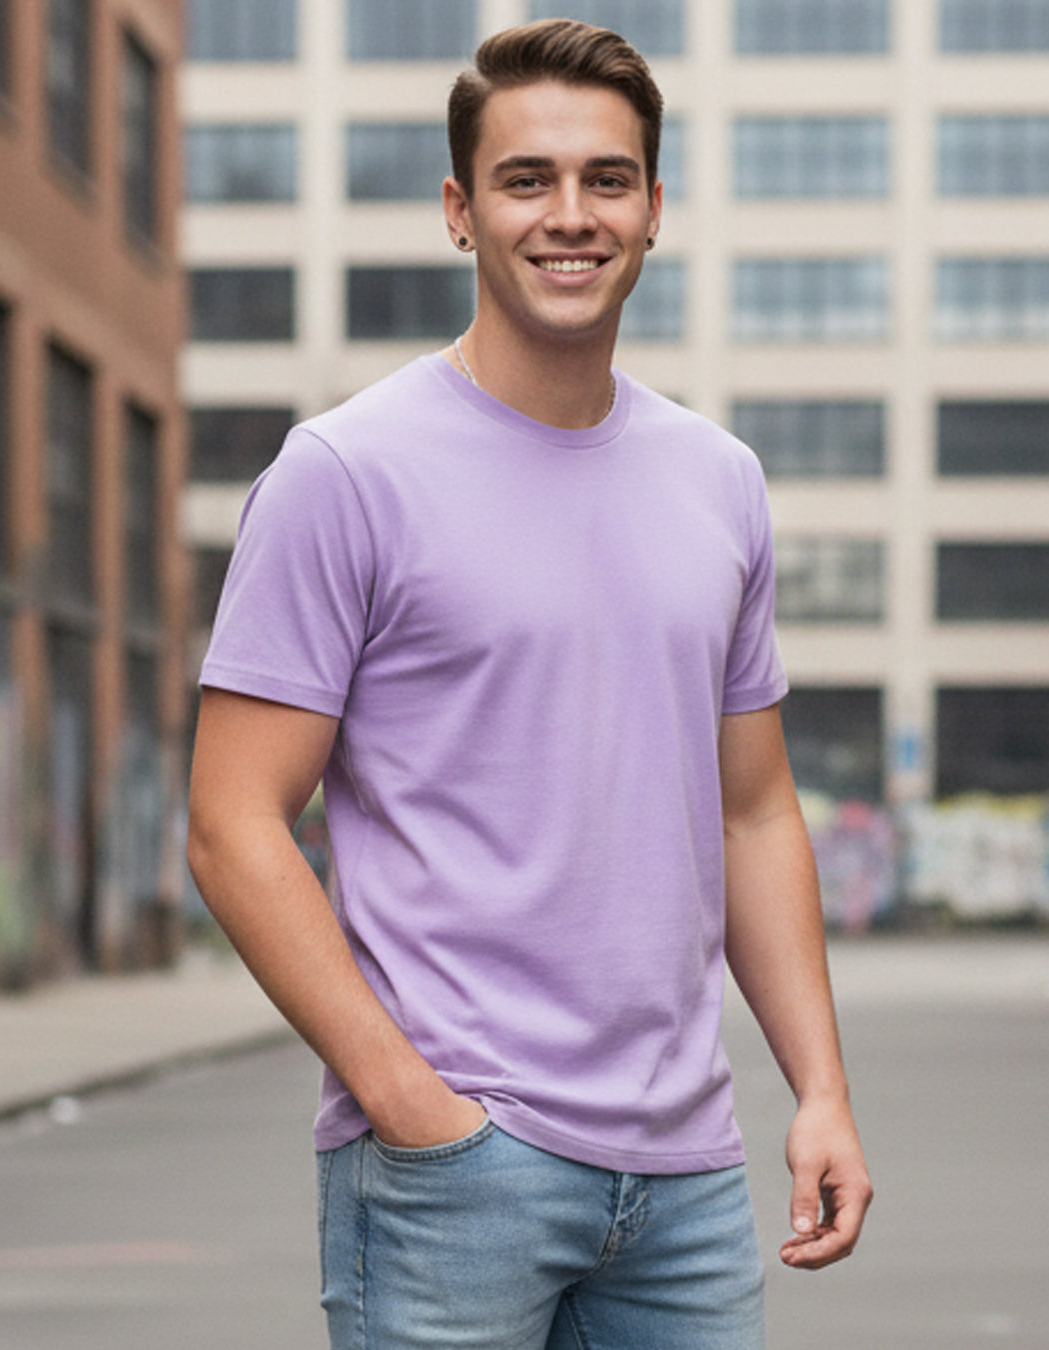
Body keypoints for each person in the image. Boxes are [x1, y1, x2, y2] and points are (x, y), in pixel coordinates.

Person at [187, 19, 872, 1349]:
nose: (572, 215)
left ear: (655, 208)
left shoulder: (719, 480)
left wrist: (822, 1090)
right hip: (453, 1173)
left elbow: (754, 812)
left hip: (687, 1180)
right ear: (460, 210)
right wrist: (413, 1105)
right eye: (527, 179)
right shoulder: (345, 474)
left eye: (608, 179)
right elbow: (232, 822)